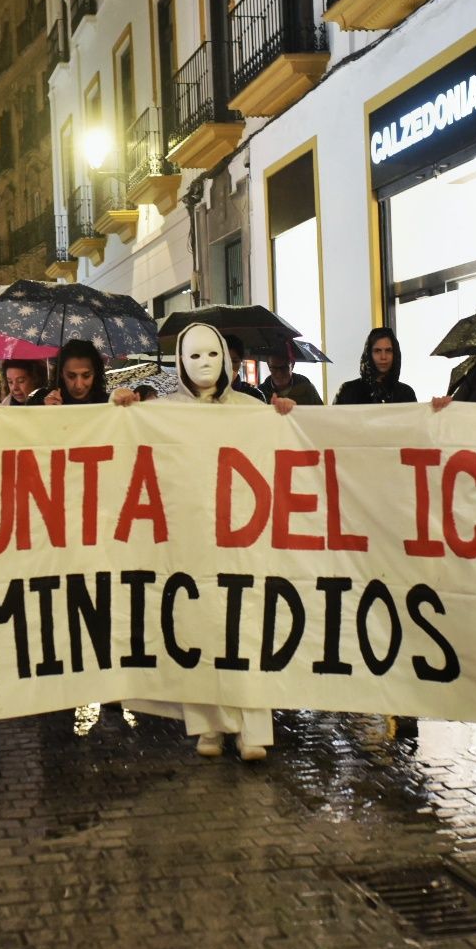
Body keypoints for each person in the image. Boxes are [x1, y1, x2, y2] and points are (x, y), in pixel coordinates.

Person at [122, 322, 292, 760]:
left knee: (246, 627)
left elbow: (284, 445)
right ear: (180, 361)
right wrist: (118, 405)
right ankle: (208, 727)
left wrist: (291, 417)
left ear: (226, 360)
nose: (203, 364)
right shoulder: (167, 410)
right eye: (194, 356)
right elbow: (128, 438)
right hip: (191, 541)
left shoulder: (249, 408)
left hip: (242, 541)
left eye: (211, 355)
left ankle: (252, 728)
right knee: (197, 627)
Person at [334, 327, 417, 405]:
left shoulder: (406, 394)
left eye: (388, 350)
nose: (383, 357)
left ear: (395, 354)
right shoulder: (348, 391)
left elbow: (418, 419)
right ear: (369, 354)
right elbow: (332, 418)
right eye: (377, 351)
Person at [36, 339, 110, 405]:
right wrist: (44, 412)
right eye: (71, 376)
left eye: (86, 376)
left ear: (95, 373)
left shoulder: (108, 403)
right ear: (61, 373)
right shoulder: (40, 400)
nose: (79, 385)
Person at [255, 346, 323, 405]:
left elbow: (320, 415)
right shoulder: (261, 393)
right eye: (274, 368)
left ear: (292, 364)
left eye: (284, 368)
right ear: (268, 364)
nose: (279, 373)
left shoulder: (307, 389)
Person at [223, 333, 266, 402]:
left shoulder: (254, 395)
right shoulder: (204, 394)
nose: (229, 366)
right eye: (224, 361)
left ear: (241, 362)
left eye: (234, 361)